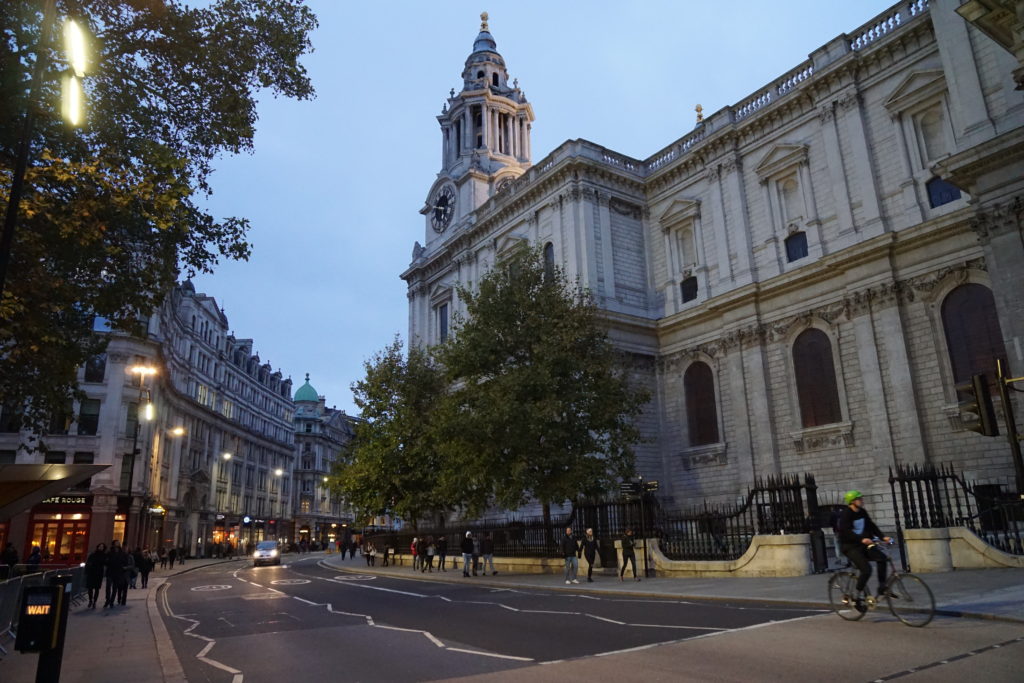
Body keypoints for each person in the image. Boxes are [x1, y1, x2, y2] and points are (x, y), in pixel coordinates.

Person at [837, 490, 891, 610]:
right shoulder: (846, 514)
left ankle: (882, 586)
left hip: (864, 544)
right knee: (866, 570)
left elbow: (871, 525)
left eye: (861, 498)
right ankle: (856, 596)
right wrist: (861, 539)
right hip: (850, 547)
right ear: (852, 502)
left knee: (882, 558)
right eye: (859, 499)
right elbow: (846, 532)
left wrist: (883, 537)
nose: (862, 501)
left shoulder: (862, 512)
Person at [104, 541, 130, 608]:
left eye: (118, 543)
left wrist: (123, 567)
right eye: (116, 543)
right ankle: (107, 600)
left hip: (118, 572)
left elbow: (126, 562)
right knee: (108, 587)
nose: (117, 544)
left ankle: (112, 601)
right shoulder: (109, 552)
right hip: (110, 572)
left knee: (115, 588)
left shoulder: (122, 553)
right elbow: (106, 561)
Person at [84, 543, 107, 609]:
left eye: (102, 546)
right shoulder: (92, 554)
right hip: (92, 573)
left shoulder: (104, 555)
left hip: (99, 573)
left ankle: (94, 601)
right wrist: (87, 570)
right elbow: (88, 562)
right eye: (100, 546)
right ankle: (90, 600)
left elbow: (106, 563)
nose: (101, 547)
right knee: (90, 588)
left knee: (97, 588)